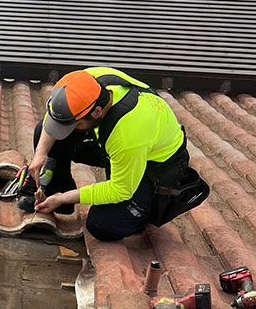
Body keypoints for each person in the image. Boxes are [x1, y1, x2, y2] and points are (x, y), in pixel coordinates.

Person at [29, 66, 208, 241]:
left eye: (75, 124)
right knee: (45, 134)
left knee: (102, 224)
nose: (69, 129)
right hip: (122, 145)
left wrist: (64, 198)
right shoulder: (84, 82)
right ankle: (53, 198)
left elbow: (120, 190)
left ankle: (143, 210)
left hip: (155, 167)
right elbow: (55, 116)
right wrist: (40, 154)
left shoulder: (127, 133)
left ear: (97, 112)